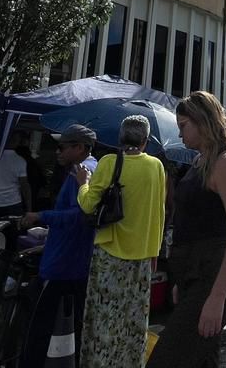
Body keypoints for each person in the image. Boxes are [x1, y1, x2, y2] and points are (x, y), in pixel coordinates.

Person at [147, 92, 226, 368]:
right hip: (194, 276)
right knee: (202, 360)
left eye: (183, 125)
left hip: (212, 278)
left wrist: (217, 298)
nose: (179, 133)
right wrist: (182, 282)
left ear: (203, 122)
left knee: (165, 361)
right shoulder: (198, 161)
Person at [78, 116, 166, 368]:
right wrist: (155, 250)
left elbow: (88, 204)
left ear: (121, 137)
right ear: (146, 141)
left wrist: (82, 184)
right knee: (133, 320)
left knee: (104, 318)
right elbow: (159, 212)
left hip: (109, 252)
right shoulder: (156, 166)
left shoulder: (108, 162)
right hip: (141, 255)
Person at [20, 124, 98, 368]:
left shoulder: (82, 173)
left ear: (80, 148)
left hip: (64, 262)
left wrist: (41, 216)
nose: (58, 152)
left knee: (40, 327)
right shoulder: (83, 171)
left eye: (63, 146)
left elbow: (79, 215)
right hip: (72, 259)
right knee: (70, 326)